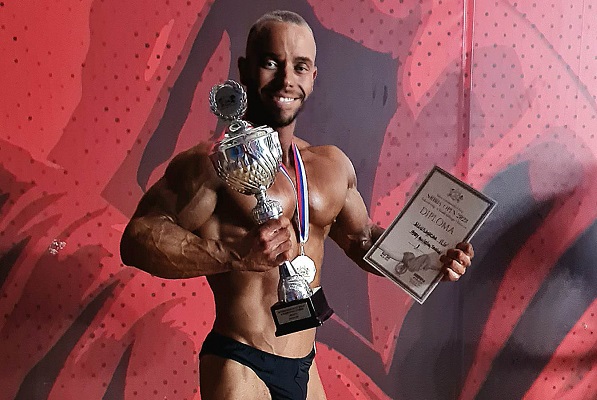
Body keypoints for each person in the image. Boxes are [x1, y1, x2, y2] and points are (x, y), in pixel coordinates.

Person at [120, 10, 474, 400]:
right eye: (272, 63)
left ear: (313, 77)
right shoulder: (214, 164)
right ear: (245, 69)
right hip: (241, 361)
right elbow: (138, 237)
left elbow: (362, 242)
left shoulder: (331, 165)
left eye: (300, 67)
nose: (287, 79)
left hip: (305, 365)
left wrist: (429, 260)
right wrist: (233, 255)